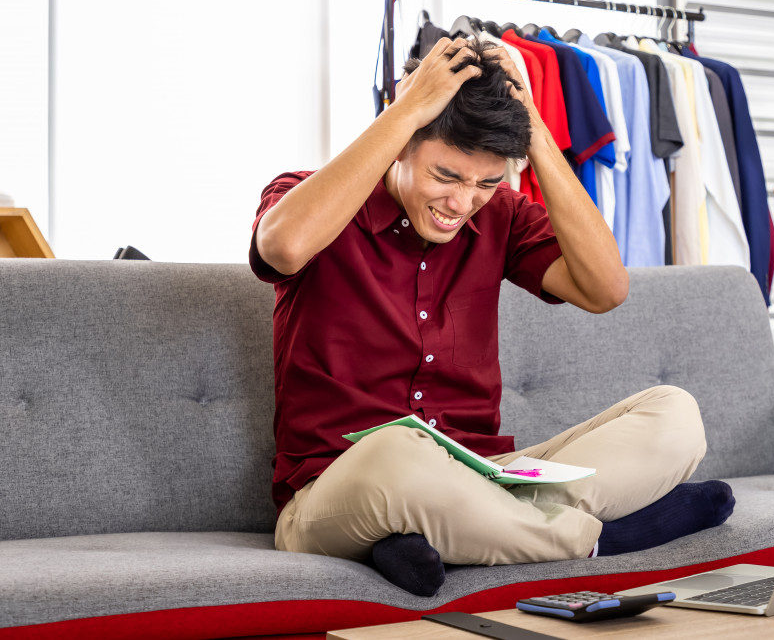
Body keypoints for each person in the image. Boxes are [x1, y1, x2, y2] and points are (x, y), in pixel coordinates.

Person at [249, 37, 734, 597]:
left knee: (674, 416)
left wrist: (536, 131)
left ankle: (449, 537)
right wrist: (406, 108)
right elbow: (282, 249)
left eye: (485, 183)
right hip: (342, 485)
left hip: (484, 478)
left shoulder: (501, 215)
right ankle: (601, 540)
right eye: (447, 176)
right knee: (399, 451)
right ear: (401, 145)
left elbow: (607, 289)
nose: (462, 203)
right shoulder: (309, 197)